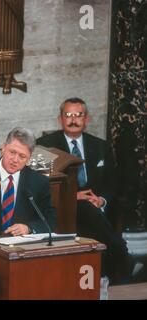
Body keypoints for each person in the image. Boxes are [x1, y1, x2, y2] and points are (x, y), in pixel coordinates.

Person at [37, 97, 143, 283]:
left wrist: (101, 200)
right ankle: (122, 259)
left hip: (96, 208)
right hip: (61, 208)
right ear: (60, 119)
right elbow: (39, 184)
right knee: (86, 208)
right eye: (68, 115)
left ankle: (102, 274)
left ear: (87, 120)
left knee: (90, 209)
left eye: (79, 115)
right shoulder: (44, 145)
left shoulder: (100, 146)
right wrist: (72, 196)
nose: (73, 120)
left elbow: (112, 182)